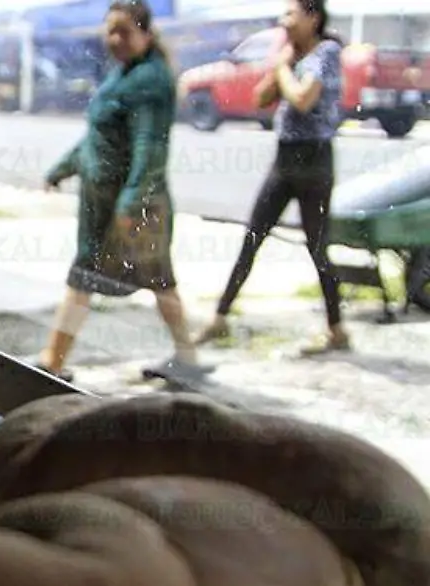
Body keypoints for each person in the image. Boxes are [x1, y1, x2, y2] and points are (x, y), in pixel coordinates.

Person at [37, 0, 209, 383]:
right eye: (110, 30)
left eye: (124, 31)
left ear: (145, 33)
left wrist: (131, 203)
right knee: (134, 279)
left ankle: (53, 361)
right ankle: (188, 360)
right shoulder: (124, 74)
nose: (115, 39)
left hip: (133, 206)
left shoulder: (150, 79)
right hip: (109, 206)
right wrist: (62, 168)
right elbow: (97, 138)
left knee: (136, 278)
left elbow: (150, 149)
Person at [196, 0, 347, 354]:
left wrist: (282, 69)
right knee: (253, 236)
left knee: (318, 246)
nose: (284, 22)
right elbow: (261, 98)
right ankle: (219, 317)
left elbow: (302, 99)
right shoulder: (291, 55)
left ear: (313, 17)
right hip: (285, 159)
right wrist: (278, 66)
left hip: (314, 160)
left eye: (291, 15)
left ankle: (337, 329)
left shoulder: (326, 52)